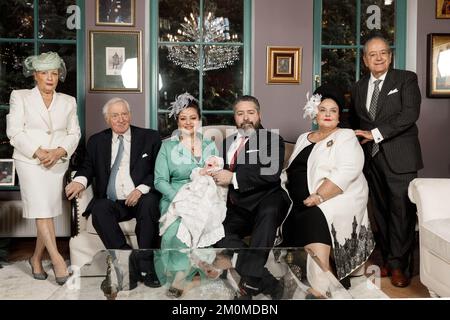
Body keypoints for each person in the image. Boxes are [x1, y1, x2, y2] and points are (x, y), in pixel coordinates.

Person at [281, 85, 375, 295]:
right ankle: (320, 281)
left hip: (331, 198)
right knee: (288, 215)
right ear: (315, 113)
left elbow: (348, 170)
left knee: (312, 216)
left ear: (339, 116)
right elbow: (291, 170)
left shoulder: (346, 136)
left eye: (333, 111)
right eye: (323, 109)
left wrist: (319, 196)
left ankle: (323, 284)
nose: (328, 114)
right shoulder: (304, 137)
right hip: (296, 200)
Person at [65, 97, 162, 288]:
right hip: (112, 201)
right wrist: (79, 181)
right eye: (115, 115)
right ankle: (127, 262)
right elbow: (88, 167)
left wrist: (141, 189)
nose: (121, 119)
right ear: (107, 119)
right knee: (99, 209)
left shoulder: (149, 137)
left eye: (124, 114)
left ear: (130, 115)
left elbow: (158, 170)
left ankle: (147, 266)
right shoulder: (96, 141)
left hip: (141, 197)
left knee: (150, 203)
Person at [350, 34, 423, 287]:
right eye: (372, 54)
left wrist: (375, 134)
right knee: (379, 213)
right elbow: (356, 122)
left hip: (400, 158)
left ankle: (399, 266)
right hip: (371, 160)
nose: (378, 58)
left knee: (402, 212)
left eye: (383, 53)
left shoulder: (405, 79)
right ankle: (386, 260)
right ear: (365, 59)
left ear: (390, 56)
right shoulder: (359, 87)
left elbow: (410, 114)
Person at [6, 52, 81, 285]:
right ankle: (57, 260)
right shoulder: (20, 97)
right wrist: (38, 152)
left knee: (46, 211)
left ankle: (36, 258)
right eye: (44, 73)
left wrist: (59, 151)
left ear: (59, 76)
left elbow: (74, 133)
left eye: (54, 73)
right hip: (30, 161)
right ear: (35, 75)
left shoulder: (68, 101)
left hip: (57, 162)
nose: (50, 78)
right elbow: (14, 132)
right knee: (42, 210)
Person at [212, 95, 290, 300]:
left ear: (259, 114)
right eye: (240, 113)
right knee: (216, 233)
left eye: (250, 112)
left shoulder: (272, 139)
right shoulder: (228, 142)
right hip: (238, 204)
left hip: (268, 198)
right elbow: (219, 170)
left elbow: (271, 173)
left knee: (269, 210)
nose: (245, 118)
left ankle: (249, 284)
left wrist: (234, 177)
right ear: (234, 117)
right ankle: (264, 280)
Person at [153, 93, 220, 297]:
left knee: (200, 226)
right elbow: (159, 181)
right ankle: (181, 276)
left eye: (192, 117)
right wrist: (180, 198)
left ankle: (189, 275)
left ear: (199, 120)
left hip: (204, 197)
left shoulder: (210, 145)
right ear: (177, 121)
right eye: (183, 118)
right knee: (175, 231)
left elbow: (216, 173)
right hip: (176, 197)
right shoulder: (167, 146)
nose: (188, 122)